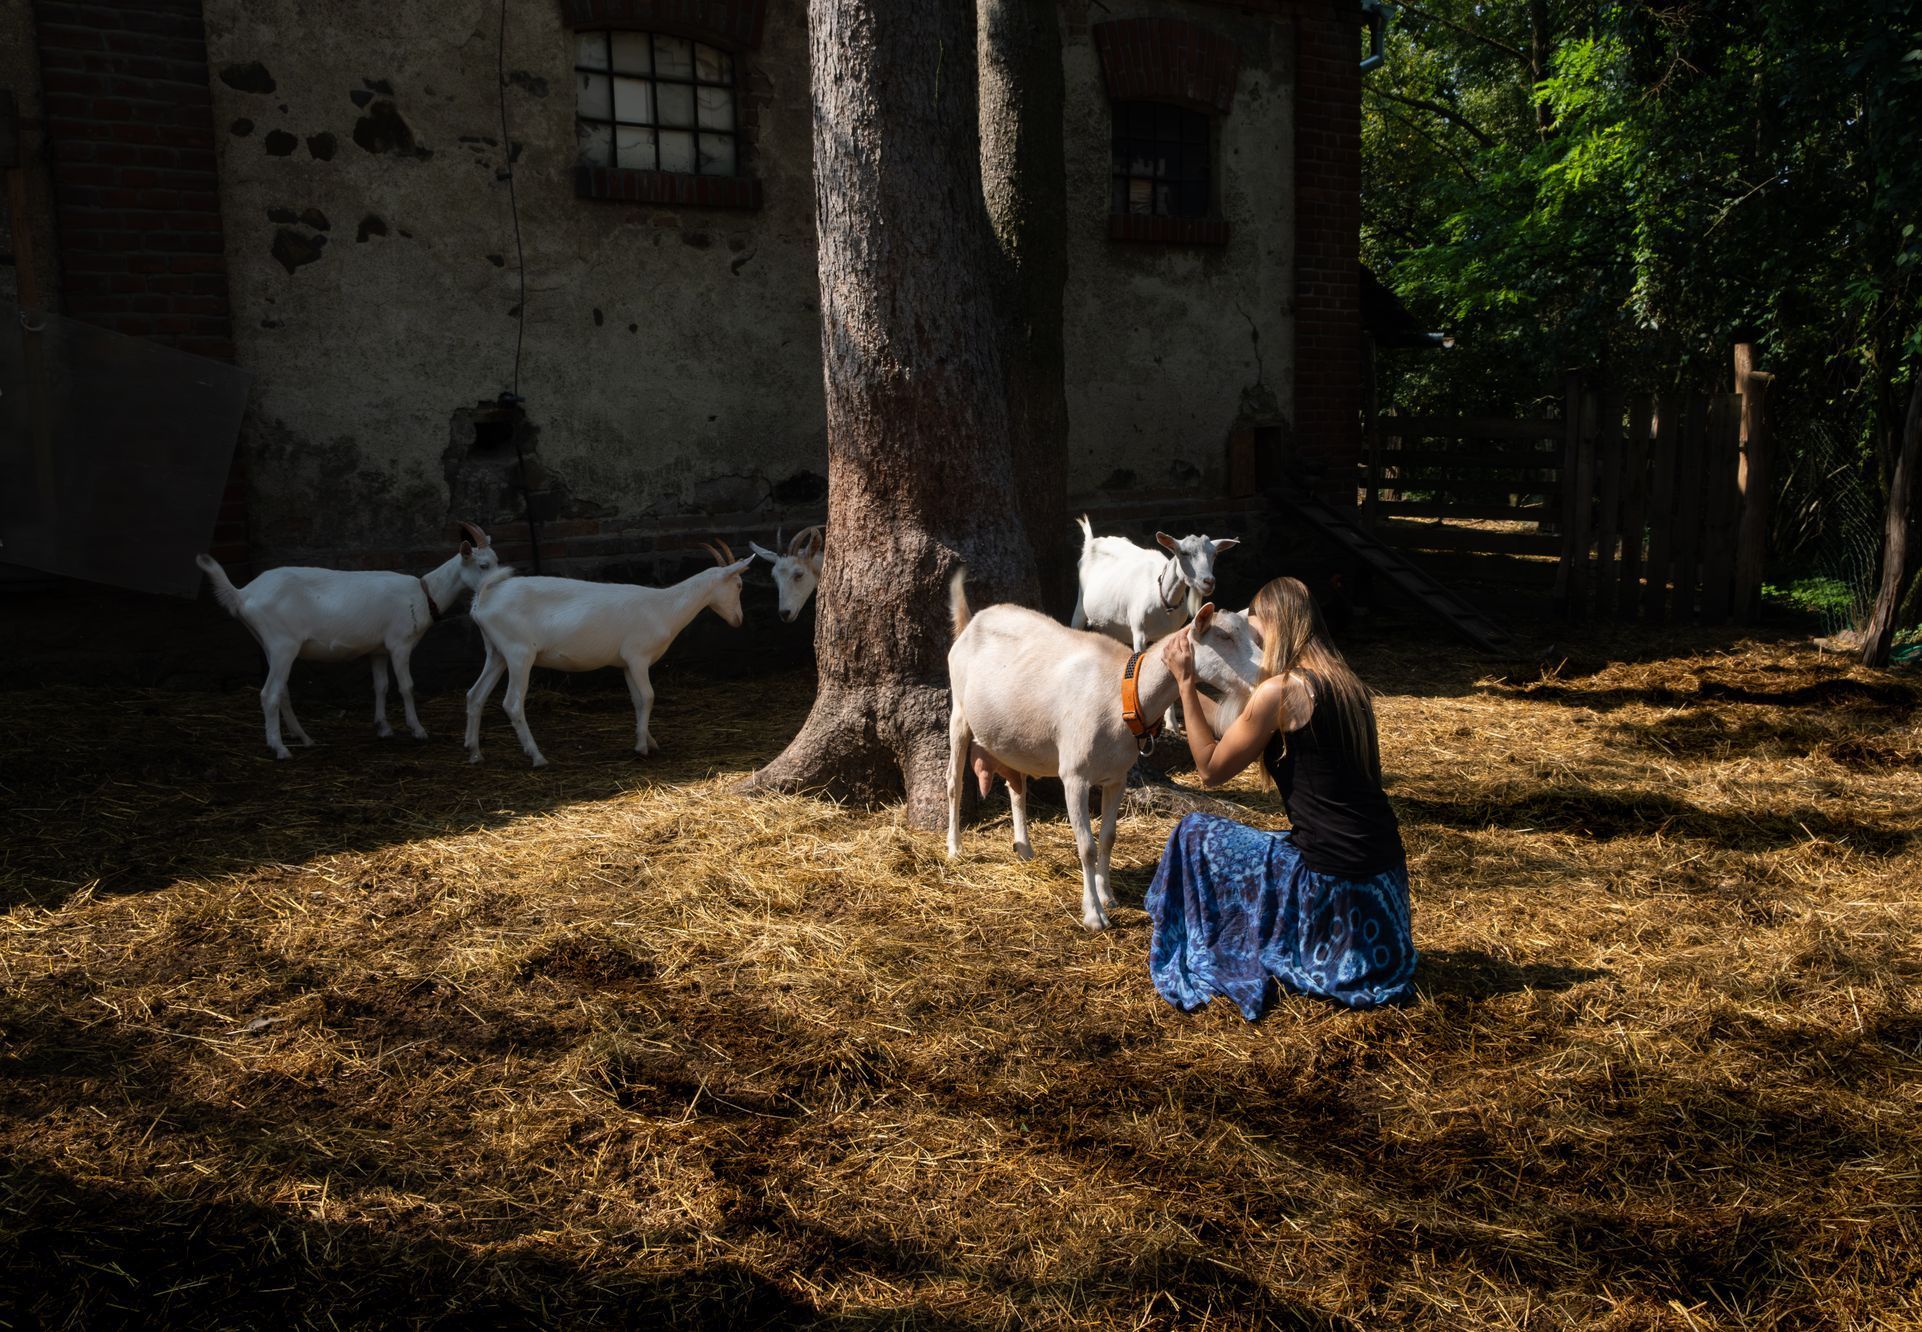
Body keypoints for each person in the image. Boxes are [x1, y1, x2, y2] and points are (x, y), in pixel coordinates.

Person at [1147, 575, 1415, 1015]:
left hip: (1331, 890)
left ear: (1274, 625)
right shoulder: (1348, 687)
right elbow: (1241, 728)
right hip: (1382, 895)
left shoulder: (1282, 691)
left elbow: (1210, 769)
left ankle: (1208, 943)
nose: (1255, 644)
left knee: (1194, 832)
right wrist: (1187, 697)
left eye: (1256, 634)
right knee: (1272, 839)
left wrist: (1183, 684)